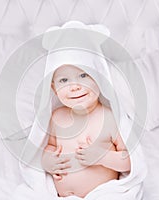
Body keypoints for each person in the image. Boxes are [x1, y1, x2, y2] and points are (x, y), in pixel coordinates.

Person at [41, 64, 131, 198]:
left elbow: (129, 162)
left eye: (83, 75)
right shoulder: (57, 117)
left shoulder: (109, 118)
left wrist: (102, 157)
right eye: (64, 80)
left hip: (103, 194)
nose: (75, 87)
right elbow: (51, 146)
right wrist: (48, 161)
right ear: (54, 88)